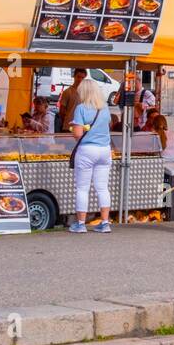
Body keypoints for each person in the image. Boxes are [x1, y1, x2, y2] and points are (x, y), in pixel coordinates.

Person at [68, 77, 113, 234]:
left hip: (87, 150)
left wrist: (73, 128)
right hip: (105, 150)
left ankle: (80, 224)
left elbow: (78, 134)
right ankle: (105, 223)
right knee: (102, 188)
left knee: (82, 188)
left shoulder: (81, 108)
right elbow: (107, 127)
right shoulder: (105, 108)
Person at [57, 68, 88, 138]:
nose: (80, 79)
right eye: (78, 77)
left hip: (82, 127)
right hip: (68, 127)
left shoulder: (86, 93)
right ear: (74, 76)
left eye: (82, 77)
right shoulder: (67, 92)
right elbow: (61, 111)